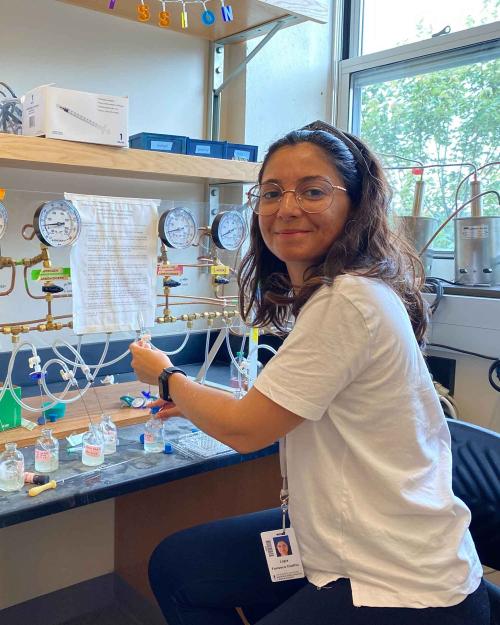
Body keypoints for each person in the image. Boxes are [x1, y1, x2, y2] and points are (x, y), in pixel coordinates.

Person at [129, 121, 489, 625]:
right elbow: (271, 407)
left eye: (313, 191)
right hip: (338, 538)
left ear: (356, 204)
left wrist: (167, 377)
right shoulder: (344, 293)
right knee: (181, 565)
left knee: (184, 567)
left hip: (397, 580)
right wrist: (193, 396)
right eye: (272, 192)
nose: (288, 207)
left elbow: (245, 429)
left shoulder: (347, 301)